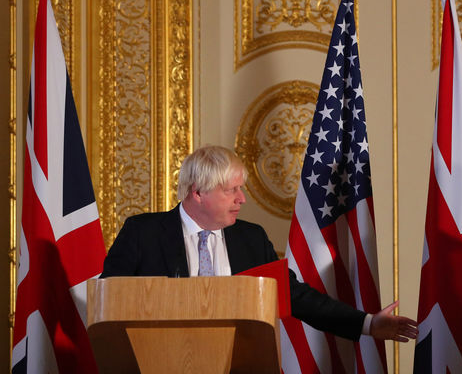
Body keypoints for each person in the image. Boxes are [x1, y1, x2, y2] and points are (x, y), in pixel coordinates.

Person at [101, 145, 418, 344]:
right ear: (198, 192)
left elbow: (297, 297)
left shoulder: (250, 238)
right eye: (231, 190)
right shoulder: (142, 233)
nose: (242, 199)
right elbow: (110, 302)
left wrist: (366, 323)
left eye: (241, 189)